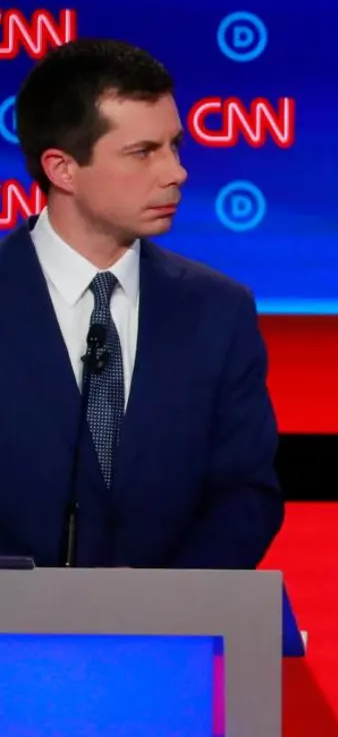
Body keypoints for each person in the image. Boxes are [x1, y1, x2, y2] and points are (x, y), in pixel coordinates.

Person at [0, 38, 282, 569]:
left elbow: (246, 495)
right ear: (62, 169)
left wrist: (158, 609)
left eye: (174, 145)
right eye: (143, 152)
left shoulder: (218, 312)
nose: (176, 172)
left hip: (170, 637)